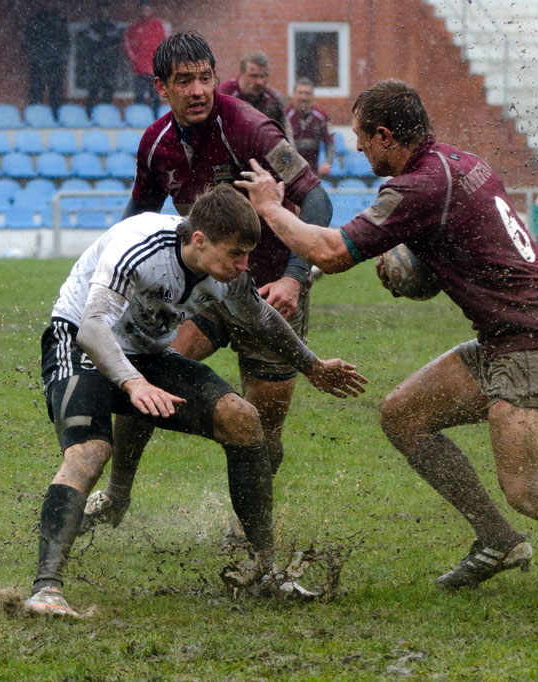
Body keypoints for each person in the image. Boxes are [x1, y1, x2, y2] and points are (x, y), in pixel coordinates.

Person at [235, 79, 538, 605]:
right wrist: (425, 268)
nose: (359, 147)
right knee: (403, 414)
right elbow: (475, 246)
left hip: (534, 343)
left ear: (387, 135)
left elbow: (328, 252)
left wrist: (271, 207)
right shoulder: (461, 162)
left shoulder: (417, 188)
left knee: (529, 488)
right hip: (513, 335)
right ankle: (497, 540)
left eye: (364, 137)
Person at [23, 184, 366, 617]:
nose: (243, 267)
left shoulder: (226, 271)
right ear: (199, 240)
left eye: (247, 256)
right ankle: (46, 589)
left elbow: (259, 316)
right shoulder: (140, 247)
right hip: (78, 344)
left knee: (242, 418)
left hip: (146, 354)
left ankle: (265, 569)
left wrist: (312, 365)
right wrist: (133, 384)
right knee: (90, 451)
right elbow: (93, 329)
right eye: (235, 255)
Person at [79, 33, 334, 542]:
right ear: (161, 87)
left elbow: (319, 202)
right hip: (201, 290)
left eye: (204, 78)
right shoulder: (155, 142)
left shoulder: (252, 130)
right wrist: (111, 269)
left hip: (271, 292)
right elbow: (140, 216)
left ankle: (248, 530)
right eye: (183, 81)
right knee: (147, 372)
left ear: (216, 78)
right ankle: (119, 493)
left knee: (260, 424)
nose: (197, 90)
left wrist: (293, 277)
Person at [216, 51, 288, 131]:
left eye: (264, 76)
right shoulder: (224, 93)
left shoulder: (273, 98)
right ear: (241, 73)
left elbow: (284, 132)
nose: (260, 82)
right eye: (253, 76)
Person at [78, 1, 123, 112]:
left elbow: (116, 40)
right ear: (98, 10)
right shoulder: (92, 26)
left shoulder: (114, 26)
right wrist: (103, 40)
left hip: (110, 65)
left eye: (106, 9)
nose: (104, 11)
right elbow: (89, 40)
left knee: (108, 91)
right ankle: (90, 116)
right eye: (101, 9)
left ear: (109, 11)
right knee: (93, 91)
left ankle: (105, 115)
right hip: (95, 65)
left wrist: (102, 39)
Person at [286, 78, 335, 178]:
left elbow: (330, 144)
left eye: (307, 93)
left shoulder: (322, 117)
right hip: (289, 174)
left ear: (312, 96)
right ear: (293, 95)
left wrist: (327, 163)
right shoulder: (285, 117)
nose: (303, 97)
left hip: (312, 175)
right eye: (300, 93)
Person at [22, 6, 68, 111]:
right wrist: (35, 56)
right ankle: (36, 115)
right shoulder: (35, 23)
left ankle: (56, 116)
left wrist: (61, 58)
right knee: (37, 90)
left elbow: (66, 43)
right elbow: (26, 43)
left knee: (55, 91)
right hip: (39, 62)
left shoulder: (59, 23)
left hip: (54, 62)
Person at [123, 0, 166, 107]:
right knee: (139, 98)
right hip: (139, 71)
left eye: (147, 8)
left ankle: (156, 122)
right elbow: (127, 45)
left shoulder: (158, 25)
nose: (144, 11)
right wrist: (135, 60)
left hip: (154, 71)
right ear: (139, 10)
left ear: (152, 10)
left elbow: (165, 45)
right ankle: (140, 121)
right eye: (142, 9)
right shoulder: (133, 26)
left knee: (155, 98)